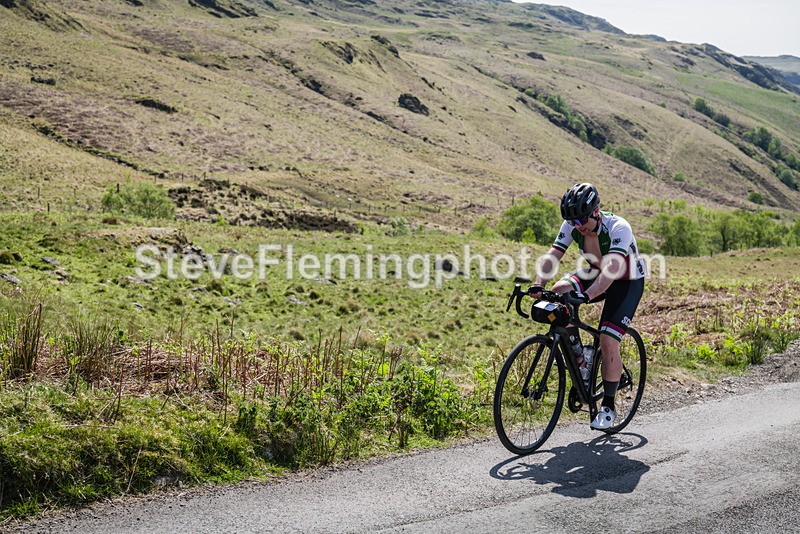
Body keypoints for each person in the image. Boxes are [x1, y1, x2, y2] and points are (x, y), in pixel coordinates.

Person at [532, 182, 645, 430]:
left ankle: (608, 406)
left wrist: (586, 295)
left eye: (582, 219)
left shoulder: (618, 227)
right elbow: (553, 256)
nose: (578, 225)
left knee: (608, 339)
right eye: (573, 221)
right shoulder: (572, 225)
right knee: (559, 293)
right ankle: (581, 361)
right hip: (596, 273)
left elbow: (612, 270)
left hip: (626, 281)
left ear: (595, 212)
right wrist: (539, 284)